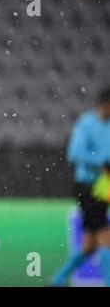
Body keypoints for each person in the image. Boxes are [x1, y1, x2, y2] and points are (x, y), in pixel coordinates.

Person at [51, 88, 110, 286]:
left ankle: (57, 280)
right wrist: (100, 161)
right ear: (102, 104)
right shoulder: (86, 124)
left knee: (90, 244)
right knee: (104, 237)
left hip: (104, 187)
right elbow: (74, 153)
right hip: (86, 186)